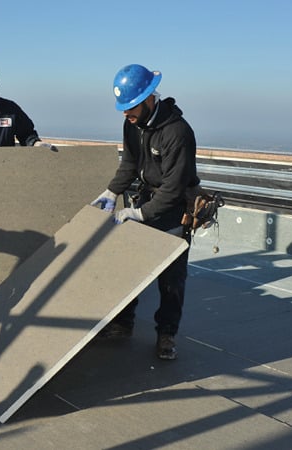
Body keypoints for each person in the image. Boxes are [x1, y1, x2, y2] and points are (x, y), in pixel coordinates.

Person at [90, 64, 200, 361]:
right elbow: (129, 163)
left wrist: (140, 214)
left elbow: (174, 188)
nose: (126, 113)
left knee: (171, 280)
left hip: (173, 211)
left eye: (130, 107)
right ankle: (123, 324)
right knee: (128, 268)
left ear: (149, 97)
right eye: (123, 108)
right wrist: (112, 191)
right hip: (147, 201)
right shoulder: (133, 125)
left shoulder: (177, 133)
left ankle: (166, 335)